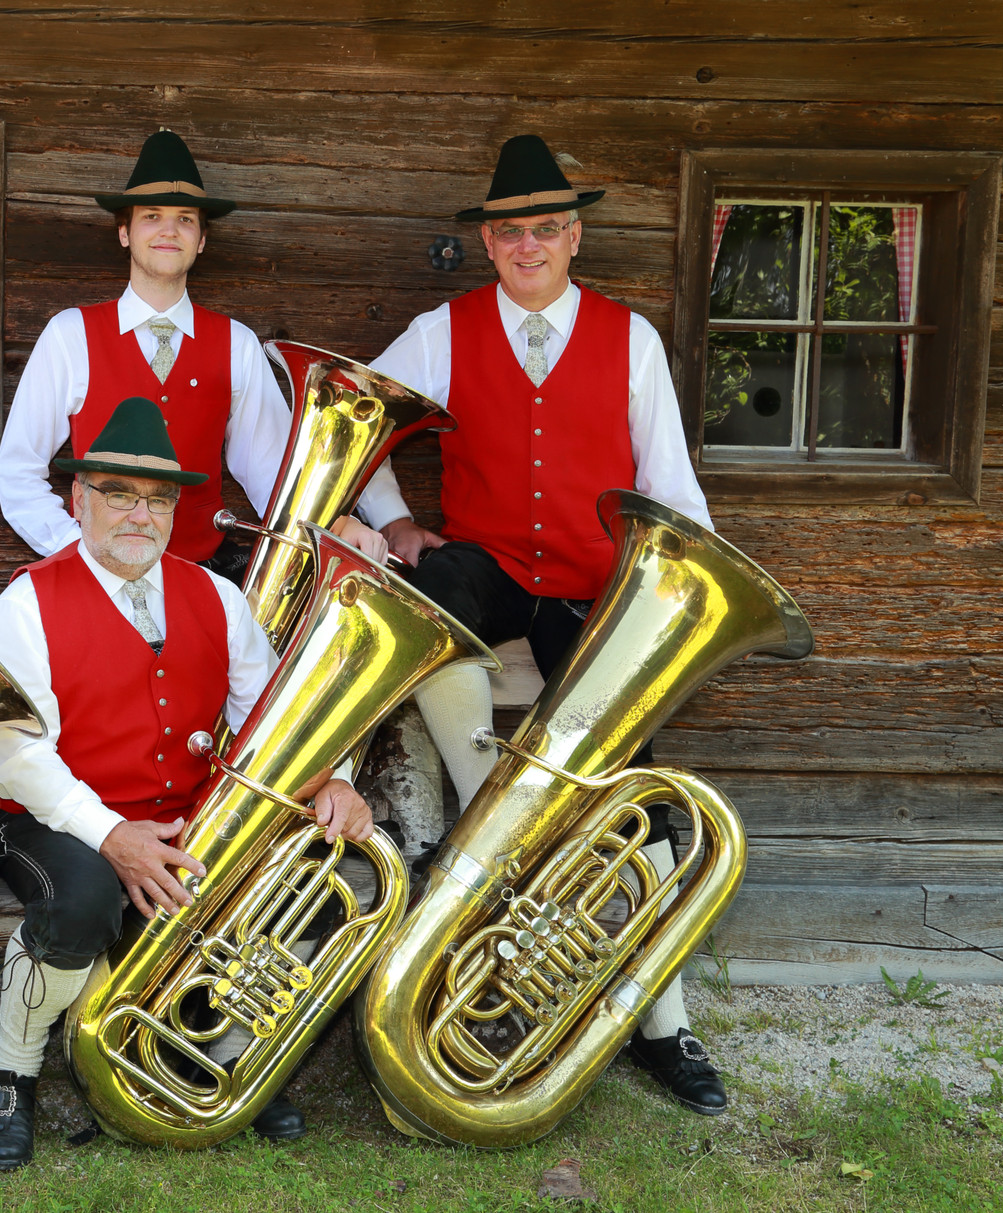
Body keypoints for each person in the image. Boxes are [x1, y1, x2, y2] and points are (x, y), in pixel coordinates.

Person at [359, 136, 727, 1116]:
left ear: (574, 236)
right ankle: (495, 816)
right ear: (487, 242)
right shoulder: (442, 331)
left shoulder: (628, 337)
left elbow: (669, 485)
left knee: (637, 802)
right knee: (432, 588)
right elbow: (356, 415)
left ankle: (662, 1024)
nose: (526, 245)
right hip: (487, 565)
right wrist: (390, 517)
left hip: (586, 585)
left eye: (544, 228)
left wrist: (677, 602)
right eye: (508, 230)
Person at [0, 396, 376, 1170]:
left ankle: (220, 1047)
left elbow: (274, 715)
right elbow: (15, 758)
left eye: (157, 498)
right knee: (85, 894)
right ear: (78, 499)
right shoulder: (26, 604)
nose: (139, 513)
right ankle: (10, 1071)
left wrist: (338, 780)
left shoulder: (218, 598)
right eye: (119, 492)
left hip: (182, 813)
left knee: (309, 873)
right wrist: (112, 837)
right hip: (44, 816)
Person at [0, 129, 395, 583]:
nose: (169, 230)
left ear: (202, 239)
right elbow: (17, 474)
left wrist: (338, 526)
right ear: (124, 232)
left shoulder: (237, 343)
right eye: (152, 216)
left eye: (185, 219)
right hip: (96, 581)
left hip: (203, 576)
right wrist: (80, 552)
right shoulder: (70, 335)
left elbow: (273, 476)